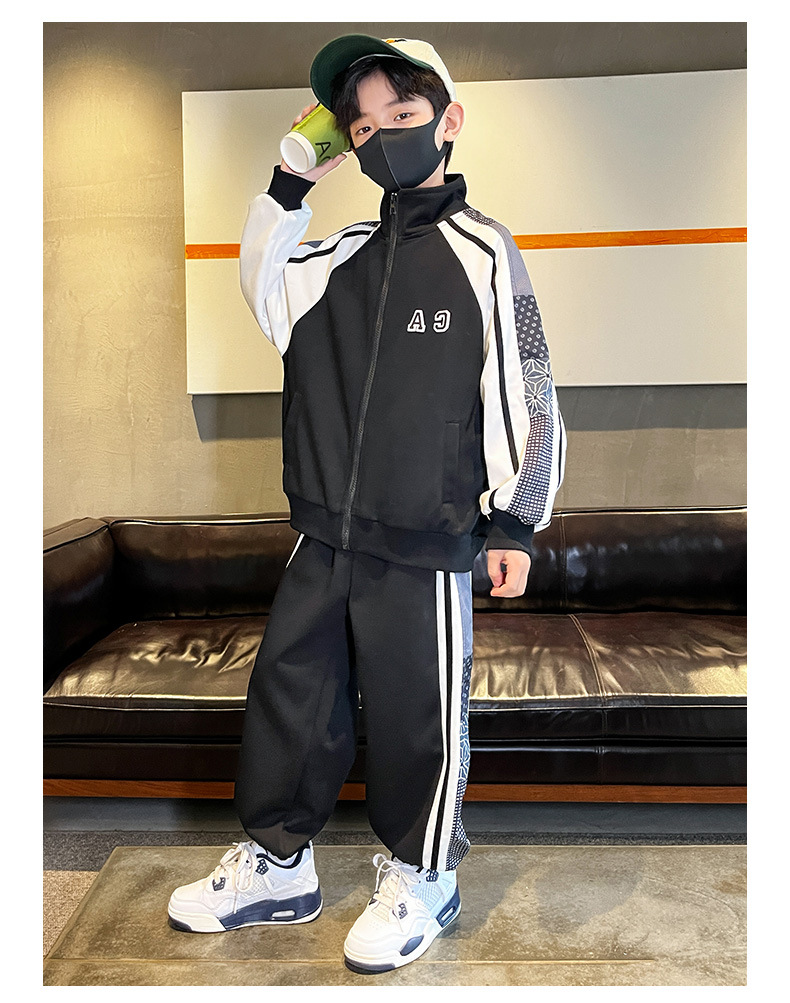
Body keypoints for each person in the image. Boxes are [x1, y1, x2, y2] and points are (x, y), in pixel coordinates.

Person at [168, 34, 566, 975]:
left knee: (415, 713)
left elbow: (528, 386)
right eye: (362, 127)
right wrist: (289, 179)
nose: (383, 136)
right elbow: (264, 283)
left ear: (448, 121)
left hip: (427, 540)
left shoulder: (484, 251)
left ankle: (425, 875)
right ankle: (279, 864)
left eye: (404, 115)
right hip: (323, 532)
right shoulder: (339, 257)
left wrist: (516, 518)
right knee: (292, 699)